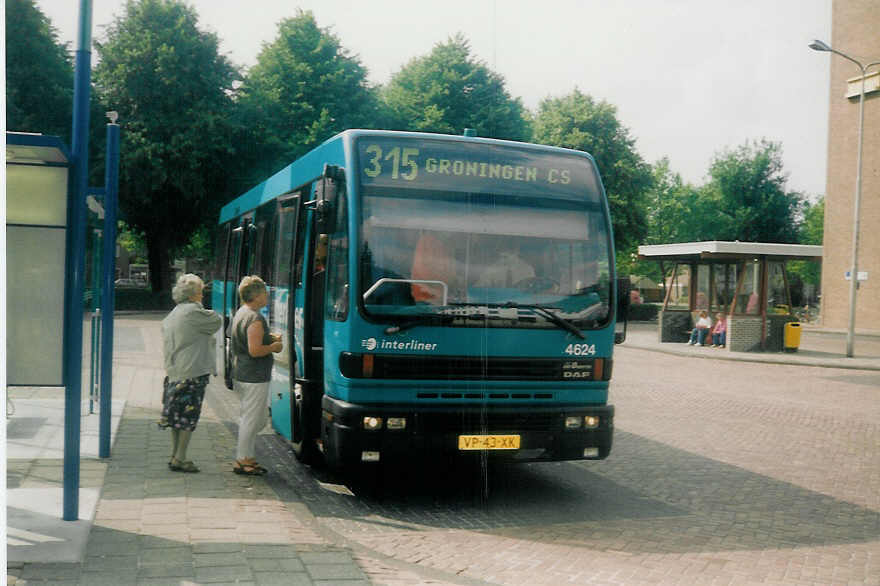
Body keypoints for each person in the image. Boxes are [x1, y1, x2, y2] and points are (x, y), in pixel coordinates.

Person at [160, 273, 222, 473]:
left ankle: (175, 454)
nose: (203, 296)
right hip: (193, 371)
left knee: (176, 417)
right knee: (188, 416)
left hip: (175, 370)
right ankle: (181, 457)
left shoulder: (175, 313)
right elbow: (217, 321)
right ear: (194, 294)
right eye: (201, 292)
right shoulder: (194, 312)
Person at [230, 275, 283, 475]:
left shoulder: (241, 313)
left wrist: (267, 338)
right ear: (257, 295)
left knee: (254, 418)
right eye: (265, 293)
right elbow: (254, 350)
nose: (267, 297)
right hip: (254, 375)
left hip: (243, 373)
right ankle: (242, 459)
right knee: (252, 419)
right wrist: (274, 346)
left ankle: (247, 456)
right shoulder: (255, 317)